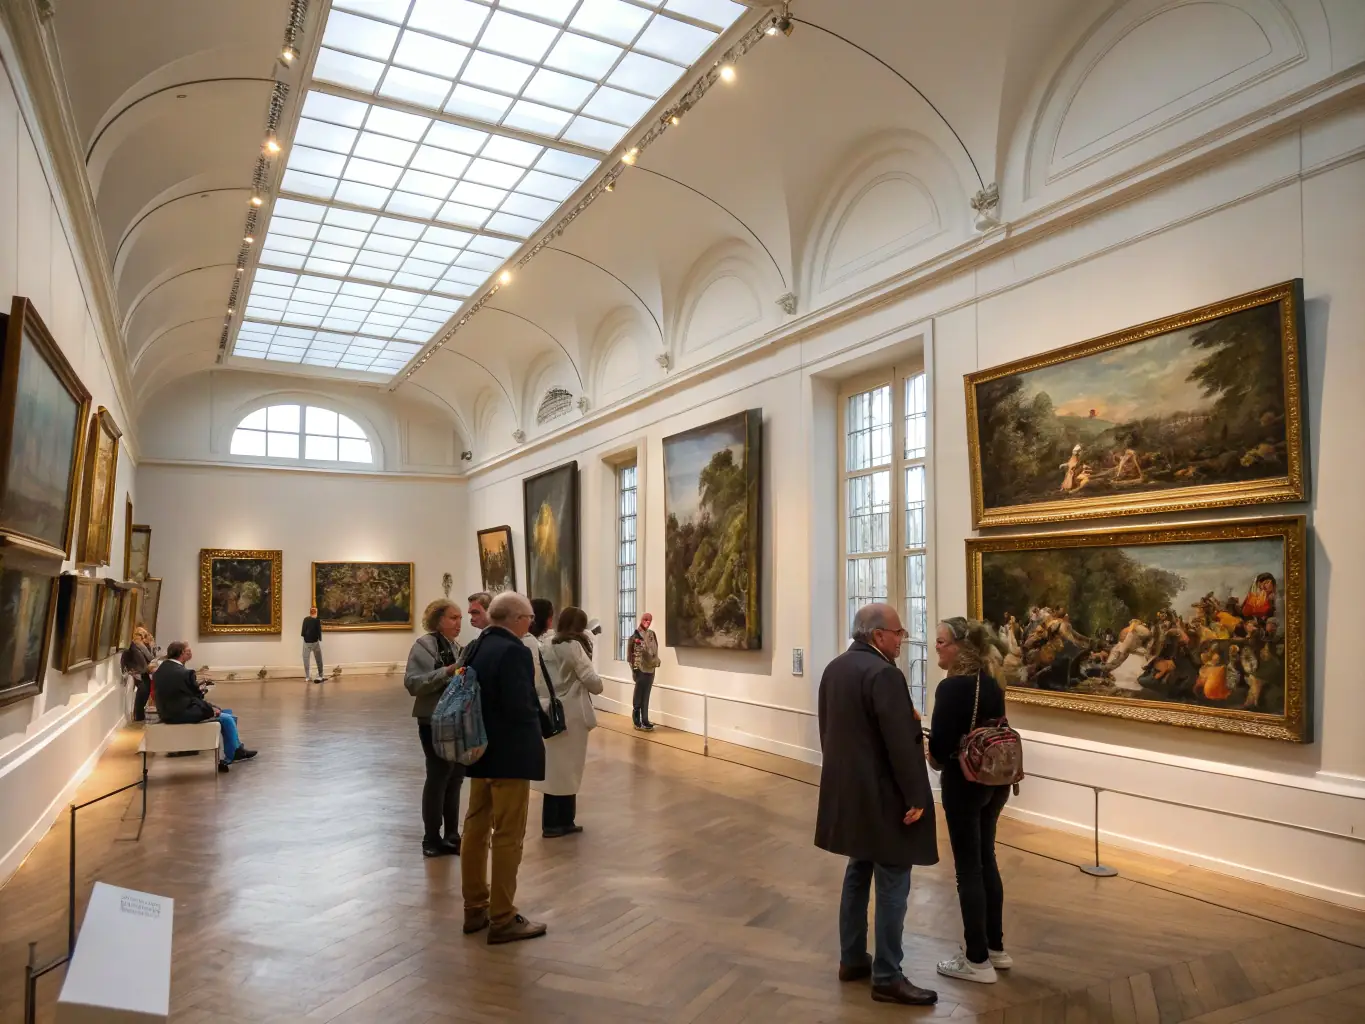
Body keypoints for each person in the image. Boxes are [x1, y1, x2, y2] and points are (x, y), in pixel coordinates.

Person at [815, 603, 938, 1007]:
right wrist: (917, 795)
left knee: (857, 869)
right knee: (892, 881)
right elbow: (899, 743)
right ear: (877, 635)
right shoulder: (884, 674)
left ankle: (852, 958)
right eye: (899, 632)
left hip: (850, 793)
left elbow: (828, 731)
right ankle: (887, 975)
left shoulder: (835, 668)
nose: (903, 638)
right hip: (884, 798)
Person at [928, 617, 1012, 985]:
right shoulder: (992, 681)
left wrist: (926, 749)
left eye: (942, 641)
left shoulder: (953, 688)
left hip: (963, 783)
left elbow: (939, 752)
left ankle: (977, 961)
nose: (937, 647)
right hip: (995, 781)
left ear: (960, 645)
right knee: (986, 858)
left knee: (968, 869)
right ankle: (996, 948)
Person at [461, 592, 547, 944]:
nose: (530, 624)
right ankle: (503, 916)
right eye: (528, 618)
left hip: (480, 751)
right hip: (509, 755)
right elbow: (519, 704)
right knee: (508, 835)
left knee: (475, 829)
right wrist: (539, 720)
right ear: (514, 619)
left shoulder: (477, 646)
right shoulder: (515, 651)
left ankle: (474, 907)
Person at [404, 599, 466, 858]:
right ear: (437, 619)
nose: (458, 623)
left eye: (461, 618)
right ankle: (431, 837)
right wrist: (447, 672)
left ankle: (452, 835)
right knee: (439, 776)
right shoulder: (424, 646)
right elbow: (413, 683)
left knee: (456, 778)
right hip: (433, 721)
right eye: (453, 618)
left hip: (458, 720)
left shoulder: (458, 646)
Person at [535, 606, 603, 838]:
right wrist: (598, 685)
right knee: (570, 767)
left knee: (555, 768)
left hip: (550, 708)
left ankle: (555, 821)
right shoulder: (573, 646)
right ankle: (561, 821)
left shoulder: (546, 644)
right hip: (571, 712)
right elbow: (591, 679)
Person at [153, 642, 256, 770]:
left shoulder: (161, 670)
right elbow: (195, 698)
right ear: (181, 654)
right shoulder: (184, 673)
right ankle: (234, 752)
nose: (190, 653)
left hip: (167, 711)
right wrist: (211, 709)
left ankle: (237, 748)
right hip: (180, 713)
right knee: (226, 717)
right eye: (187, 651)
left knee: (225, 712)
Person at [626, 612, 660, 731]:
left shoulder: (652, 634)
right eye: (646, 619)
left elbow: (655, 650)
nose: (648, 622)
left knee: (646, 695)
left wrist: (655, 662)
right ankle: (636, 719)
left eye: (650, 620)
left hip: (651, 669)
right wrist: (635, 671)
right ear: (641, 619)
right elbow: (630, 657)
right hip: (640, 669)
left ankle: (645, 719)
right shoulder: (634, 637)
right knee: (638, 695)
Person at [120, 626, 157, 722]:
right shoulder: (133, 646)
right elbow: (124, 659)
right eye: (141, 635)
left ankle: (140, 715)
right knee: (143, 689)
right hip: (137, 673)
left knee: (147, 688)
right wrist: (128, 670)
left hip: (143, 672)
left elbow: (151, 657)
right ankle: (138, 715)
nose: (143, 637)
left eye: (144, 635)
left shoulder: (142, 646)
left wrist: (152, 646)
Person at [302, 606, 324, 683]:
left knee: (306, 659)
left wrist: (304, 636)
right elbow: (319, 631)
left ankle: (308, 676)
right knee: (318, 659)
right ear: (316, 612)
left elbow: (303, 631)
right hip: (314, 642)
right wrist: (320, 638)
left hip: (307, 641)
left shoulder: (306, 619)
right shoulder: (317, 621)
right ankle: (320, 675)